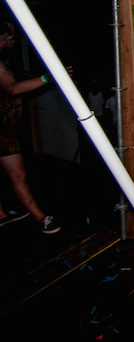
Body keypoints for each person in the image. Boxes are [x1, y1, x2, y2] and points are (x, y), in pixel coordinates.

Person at [0, 21, 63, 233]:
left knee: (17, 175)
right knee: (18, 175)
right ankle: (40, 217)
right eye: (10, 37)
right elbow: (13, 89)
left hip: (6, 132)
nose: (13, 41)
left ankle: (4, 215)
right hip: (3, 133)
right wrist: (48, 77)